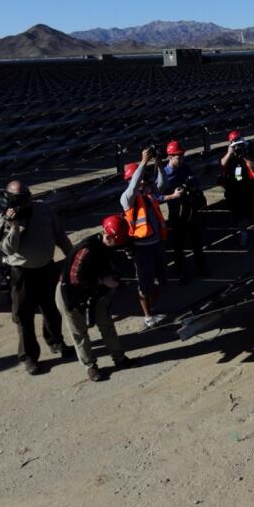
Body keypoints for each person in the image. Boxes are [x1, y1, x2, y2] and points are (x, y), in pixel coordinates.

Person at [0, 179, 74, 375]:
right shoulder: (3, 219)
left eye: (28, 195)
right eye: (22, 198)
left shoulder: (44, 209)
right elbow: (7, 249)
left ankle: (56, 342)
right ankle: (29, 356)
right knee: (24, 316)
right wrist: (14, 226)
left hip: (47, 268)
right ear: (12, 199)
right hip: (22, 273)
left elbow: (59, 234)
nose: (27, 200)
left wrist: (71, 256)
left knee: (53, 309)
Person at [55, 215, 136, 382]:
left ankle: (119, 358)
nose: (120, 245)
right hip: (71, 294)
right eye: (118, 241)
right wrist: (102, 280)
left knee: (106, 324)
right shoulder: (86, 249)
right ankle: (90, 366)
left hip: (95, 292)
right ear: (108, 236)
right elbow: (74, 279)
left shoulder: (108, 245)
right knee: (80, 333)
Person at [120, 147, 169, 329]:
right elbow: (133, 186)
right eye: (141, 178)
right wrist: (143, 162)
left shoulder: (148, 195)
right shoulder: (127, 198)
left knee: (161, 280)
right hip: (141, 248)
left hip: (156, 244)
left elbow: (162, 185)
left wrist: (159, 165)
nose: (145, 180)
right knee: (144, 283)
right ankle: (148, 316)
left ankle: (152, 307)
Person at [158, 139, 209, 283]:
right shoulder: (164, 175)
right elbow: (156, 197)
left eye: (182, 156)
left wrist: (193, 186)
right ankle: (181, 272)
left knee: (197, 242)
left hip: (191, 210)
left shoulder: (185, 167)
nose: (181, 159)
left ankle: (202, 267)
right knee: (178, 246)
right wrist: (173, 196)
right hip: (176, 213)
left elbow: (196, 182)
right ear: (170, 157)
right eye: (178, 156)